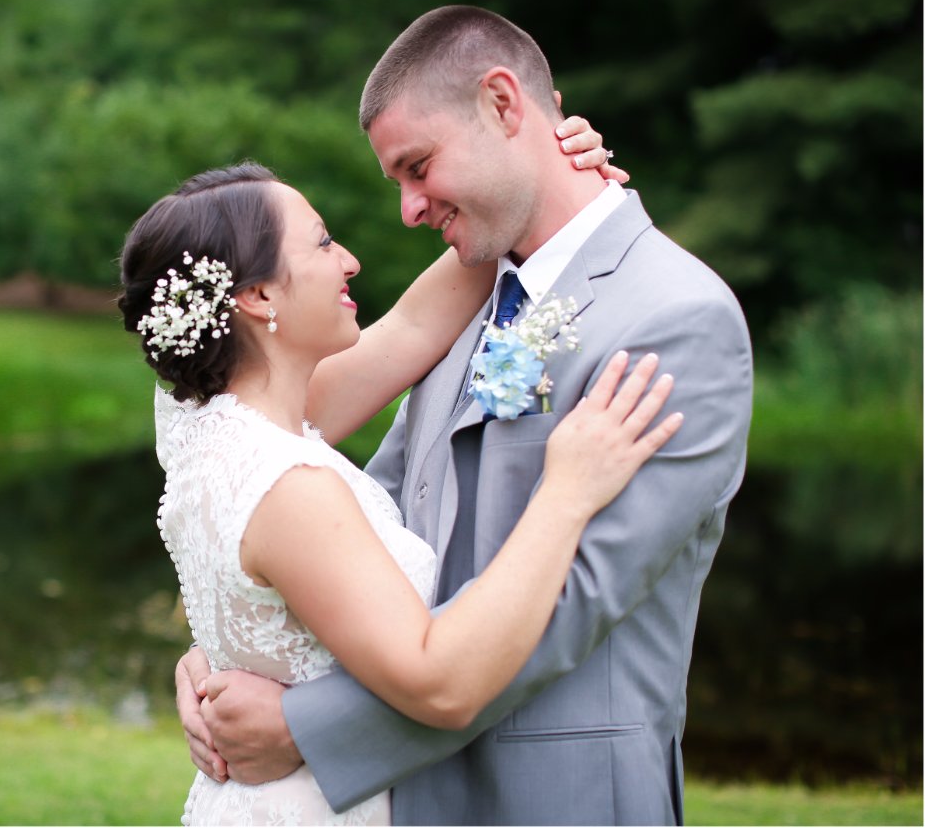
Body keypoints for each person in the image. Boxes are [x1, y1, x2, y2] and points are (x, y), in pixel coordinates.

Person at [175, 6, 754, 826]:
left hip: (557, 799)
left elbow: (571, 604)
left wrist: (304, 726)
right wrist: (232, 643)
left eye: (419, 166)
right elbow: (362, 532)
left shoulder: (675, 315)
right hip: (407, 798)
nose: (409, 209)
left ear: (503, 104)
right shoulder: (475, 296)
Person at [121, 143, 680, 822]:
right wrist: (566, 492)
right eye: (322, 242)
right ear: (257, 295)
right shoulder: (288, 485)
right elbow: (438, 681)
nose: (349, 259)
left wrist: (531, 167)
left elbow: (415, 325)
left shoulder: (195, 422)